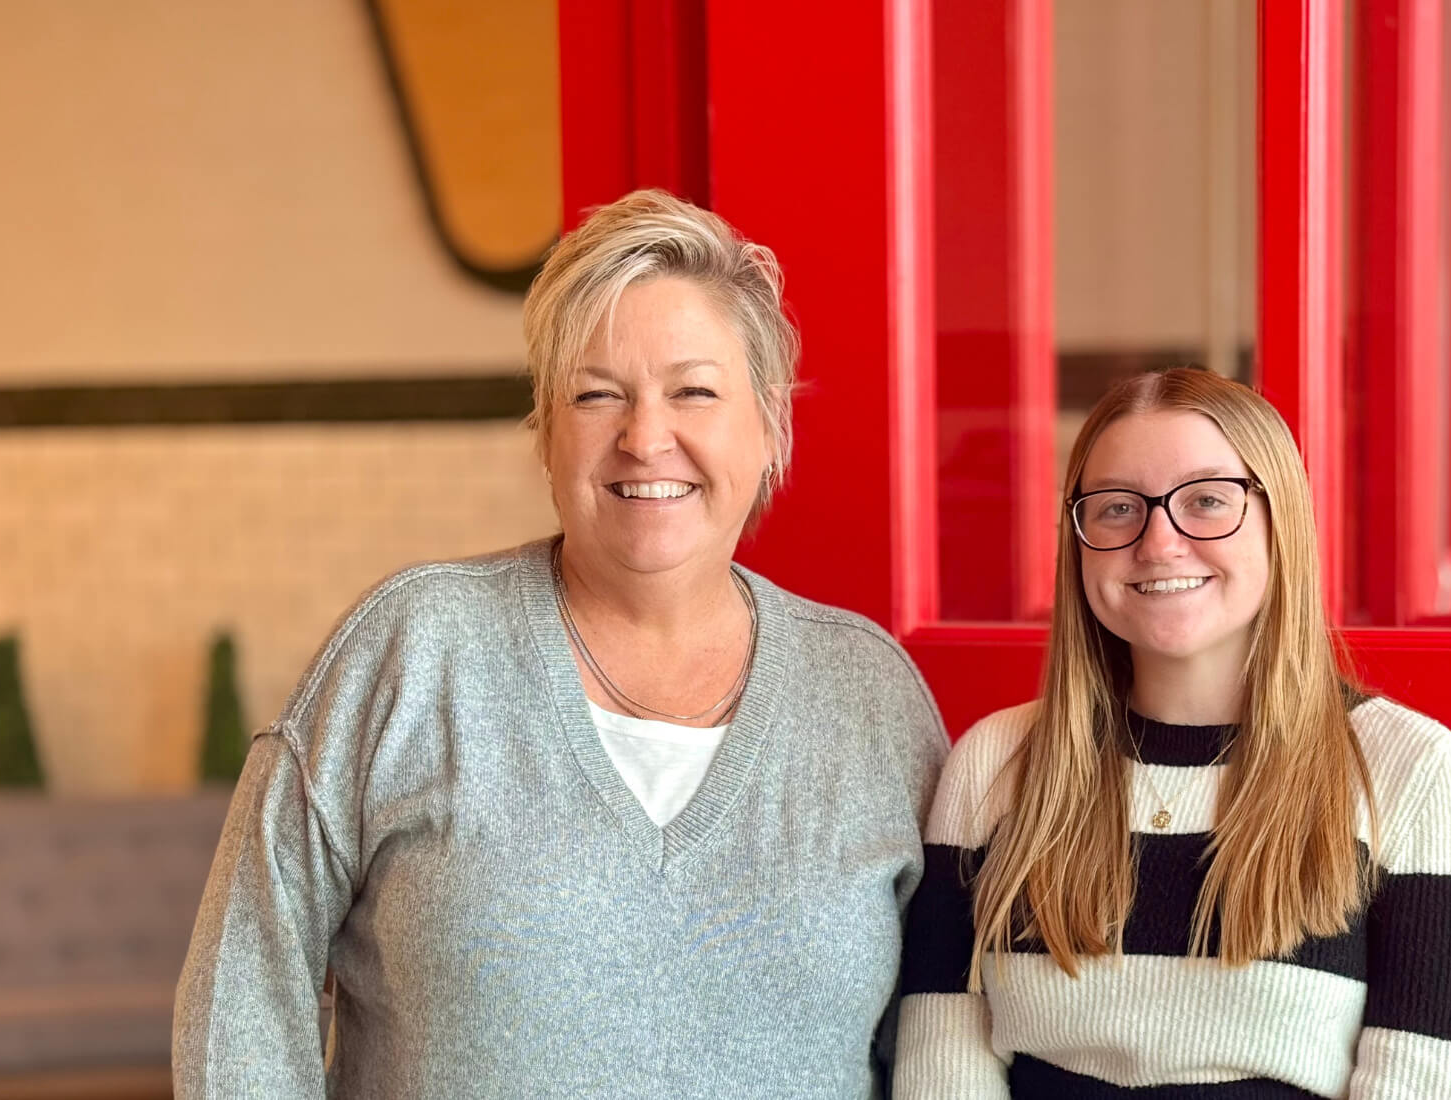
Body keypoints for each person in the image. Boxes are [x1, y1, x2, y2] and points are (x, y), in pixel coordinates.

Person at [173, 190, 948, 1098]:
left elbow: (941, 1044)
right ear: (546, 430)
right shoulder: (413, 651)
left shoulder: (868, 696)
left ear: (771, 424)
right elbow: (244, 991)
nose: (645, 438)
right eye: (596, 394)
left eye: (694, 392)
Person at [893, 368, 1451, 1098]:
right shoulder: (995, 764)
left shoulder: (1416, 771)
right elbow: (941, 1069)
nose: (1159, 543)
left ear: (1281, 521)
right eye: (1118, 508)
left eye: (1208, 500)